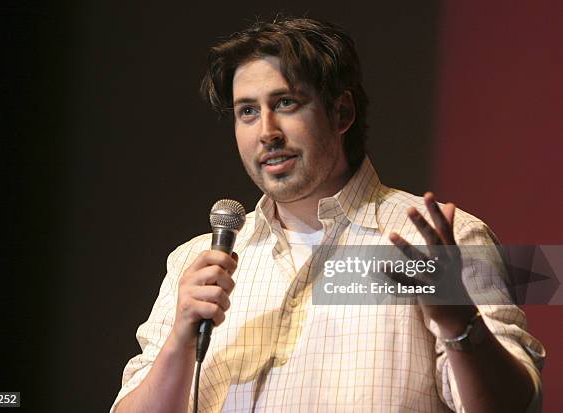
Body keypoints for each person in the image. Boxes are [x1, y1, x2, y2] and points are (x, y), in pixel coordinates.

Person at [111, 17, 544, 412]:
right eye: (247, 111)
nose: (266, 132)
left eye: (285, 103)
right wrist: (180, 342)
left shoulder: (440, 239)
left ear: (342, 112)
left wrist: (459, 323)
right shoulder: (196, 262)